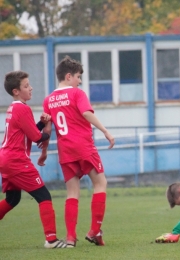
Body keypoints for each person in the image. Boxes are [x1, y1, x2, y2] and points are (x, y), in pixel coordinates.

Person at [38, 55, 115, 247]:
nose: (79, 81)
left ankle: (70, 238)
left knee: (72, 193)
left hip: (65, 150)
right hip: (83, 146)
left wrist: (44, 152)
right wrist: (105, 131)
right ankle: (94, 230)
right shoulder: (76, 93)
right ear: (69, 76)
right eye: (79, 77)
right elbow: (87, 113)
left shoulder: (48, 100)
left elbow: (47, 129)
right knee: (100, 183)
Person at [0, 71, 67, 249]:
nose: (31, 88)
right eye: (26, 86)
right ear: (16, 91)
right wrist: (47, 127)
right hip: (16, 160)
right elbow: (38, 138)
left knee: (12, 199)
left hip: (6, 158)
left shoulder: (13, 107)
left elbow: (27, 131)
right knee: (44, 196)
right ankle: (51, 240)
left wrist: (39, 125)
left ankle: (51, 239)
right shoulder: (23, 108)